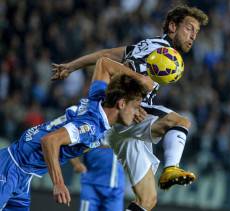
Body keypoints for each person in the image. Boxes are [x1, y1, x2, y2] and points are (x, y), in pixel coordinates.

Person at [52, 5, 209, 210]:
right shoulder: (161, 49)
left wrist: (71, 66)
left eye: (196, 32)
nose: (193, 36)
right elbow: (127, 70)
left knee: (148, 201)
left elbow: (107, 54)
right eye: (189, 28)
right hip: (126, 115)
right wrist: (131, 100)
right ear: (172, 26)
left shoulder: (146, 45)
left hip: (126, 128)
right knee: (180, 122)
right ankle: (171, 168)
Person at [0, 57, 153, 210]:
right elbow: (49, 141)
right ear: (121, 104)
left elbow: (103, 63)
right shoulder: (91, 126)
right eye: (136, 107)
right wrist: (59, 183)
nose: (138, 112)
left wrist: (137, 81)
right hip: (10, 167)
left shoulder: (98, 97)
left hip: (23, 173)